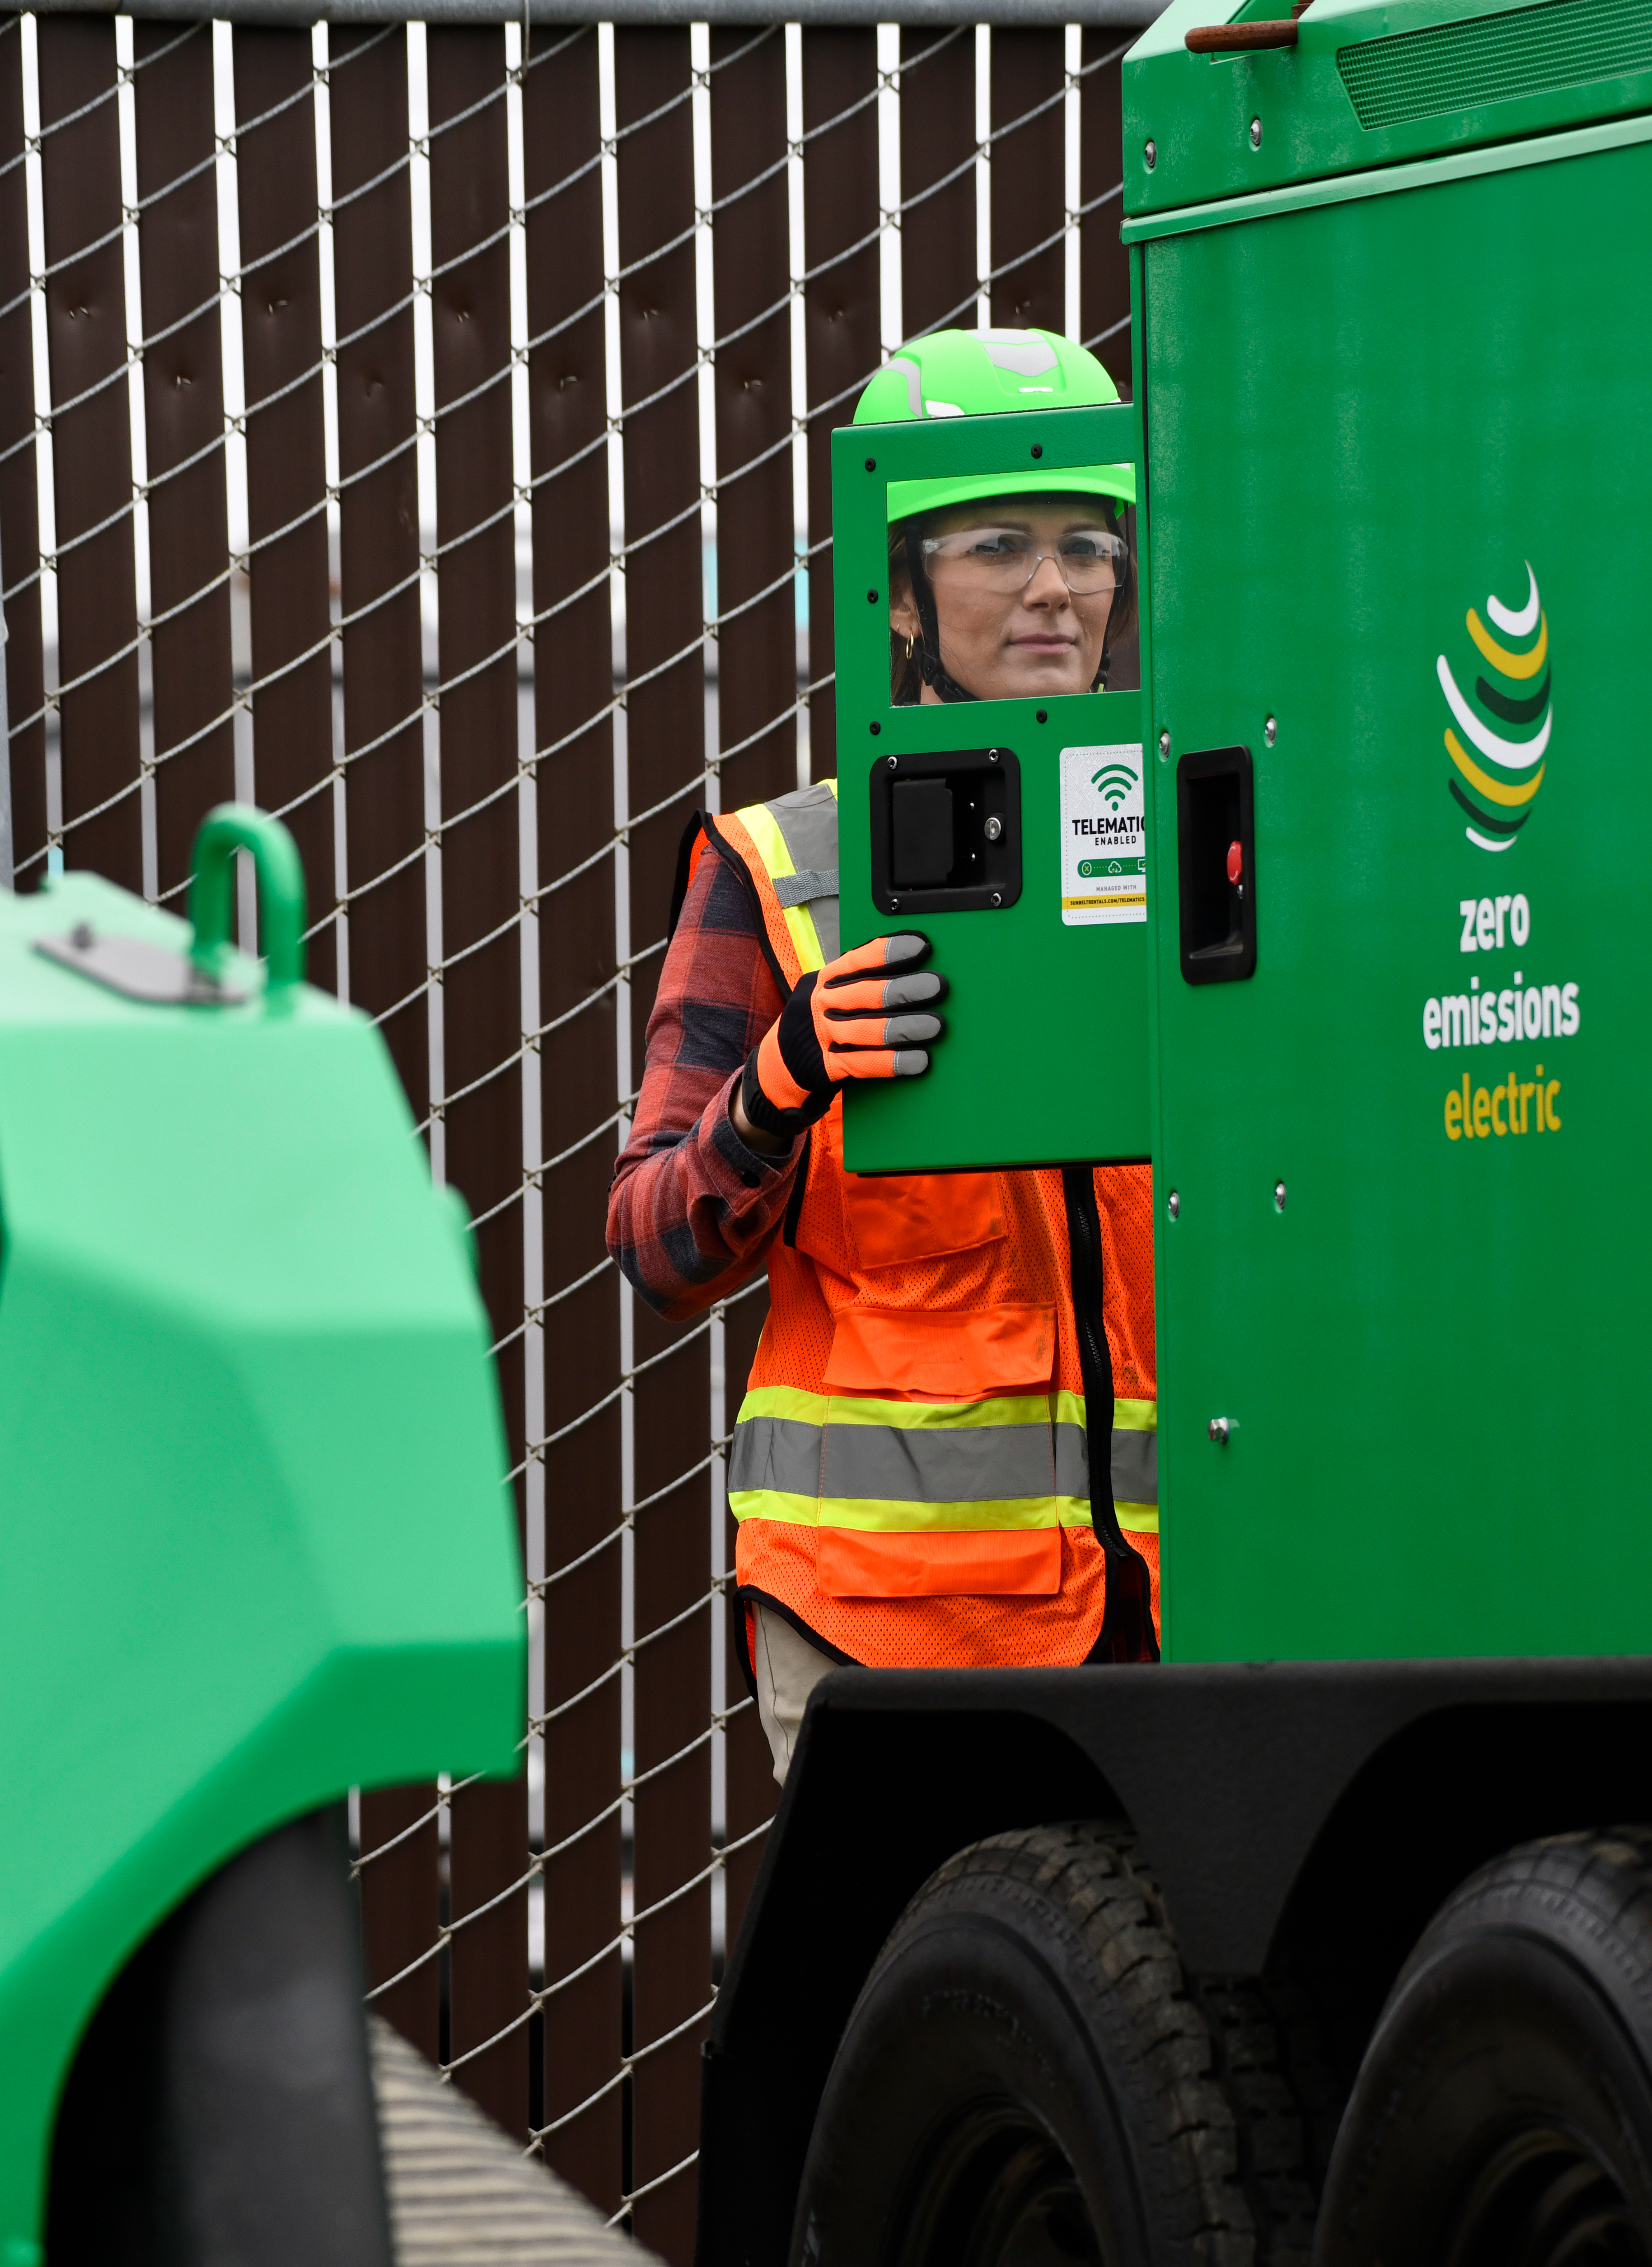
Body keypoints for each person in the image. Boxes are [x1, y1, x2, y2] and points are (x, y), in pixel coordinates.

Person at [606, 328, 1159, 1783]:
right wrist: (786, 1080)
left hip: (1186, 1610)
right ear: (901, 596)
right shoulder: (782, 868)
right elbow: (657, 1241)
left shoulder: (1194, 837)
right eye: (996, 544)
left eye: (1086, 544)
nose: (1054, 586)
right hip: (887, 1630)